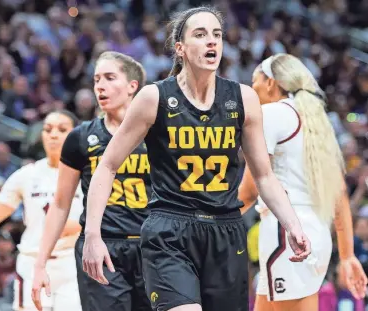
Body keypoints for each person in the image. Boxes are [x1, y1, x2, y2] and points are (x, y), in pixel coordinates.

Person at [81, 6, 311, 311]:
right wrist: (92, 235)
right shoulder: (154, 98)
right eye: (200, 35)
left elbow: (264, 176)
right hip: (170, 229)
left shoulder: (243, 98)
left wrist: (292, 223)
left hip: (226, 231)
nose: (212, 41)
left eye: (216, 34)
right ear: (181, 48)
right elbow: (107, 165)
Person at [238, 53, 368, 311]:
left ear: (271, 83)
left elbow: (250, 190)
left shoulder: (271, 114)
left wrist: (204, 218)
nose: (252, 90)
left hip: (287, 237)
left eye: (255, 81)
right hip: (314, 236)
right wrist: (347, 255)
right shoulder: (315, 122)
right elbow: (339, 194)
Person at [31, 51, 152, 311]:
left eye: (110, 78)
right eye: (97, 79)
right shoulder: (80, 138)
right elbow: (61, 204)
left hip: (152, 245)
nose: (100, 86)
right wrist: (40, 264)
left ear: (133, 86)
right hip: (101, 246)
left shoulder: (157, 135)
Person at [0, 110, 84, 311]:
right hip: (32, 263)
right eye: (47, 129)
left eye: (62, 129)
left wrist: (76, 227)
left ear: (76, 134)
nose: (53, 135)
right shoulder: (26, 175)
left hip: (72, 264)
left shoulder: (89, 174)